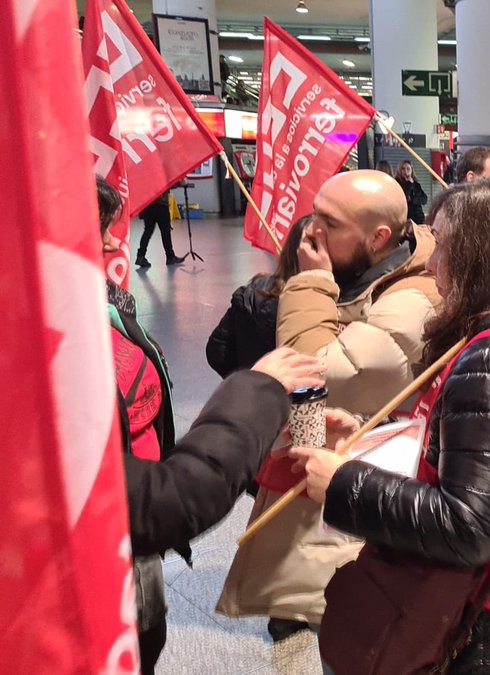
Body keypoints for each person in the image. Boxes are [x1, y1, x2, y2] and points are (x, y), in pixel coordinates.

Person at [287, 175, 490, 673]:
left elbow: (469, 526)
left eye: (442, 243)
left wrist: (344, 483)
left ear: (478, 252)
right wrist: (364, 440)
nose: (430, 262)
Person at [96, 177, 325, 673]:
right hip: (111, 553)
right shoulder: (50, 354)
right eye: (100, 231)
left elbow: (212, 353)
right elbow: (168, 501)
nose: (115, 243)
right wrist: (255, 389)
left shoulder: (111, 308)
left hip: (139, 544)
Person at [216, 169, 440, 639]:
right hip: (331, 485)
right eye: (314, 213)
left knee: (348, 630)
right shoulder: (365, 271)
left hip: (363, 503)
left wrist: (311, 282)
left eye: (330, 223)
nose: (311, 231)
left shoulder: (410, 299)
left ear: (379, 237)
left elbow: (315, 373)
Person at [206, 215, 310, 378]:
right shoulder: (330, 305)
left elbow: (217, 351)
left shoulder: (251, 293)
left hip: (255, 390)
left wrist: (248, 379)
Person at [135, 188, 183, 268]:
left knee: (147, 232)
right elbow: (169, 183)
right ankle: (170, 257)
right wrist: (180, 183)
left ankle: (140, 256)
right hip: (161, 205)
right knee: (165, 232)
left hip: (147, 205)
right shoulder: (161, 178)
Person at [396, 159, 428, 224]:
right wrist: (409, 184)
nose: (405, 171)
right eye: (403, 169)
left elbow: (424, 199)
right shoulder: (397, 183)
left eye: (408, 169)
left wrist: (413, 199)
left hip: (418, 218)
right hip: (405, 218)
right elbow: (404, 198)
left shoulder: (416, 184)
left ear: (411, 171)